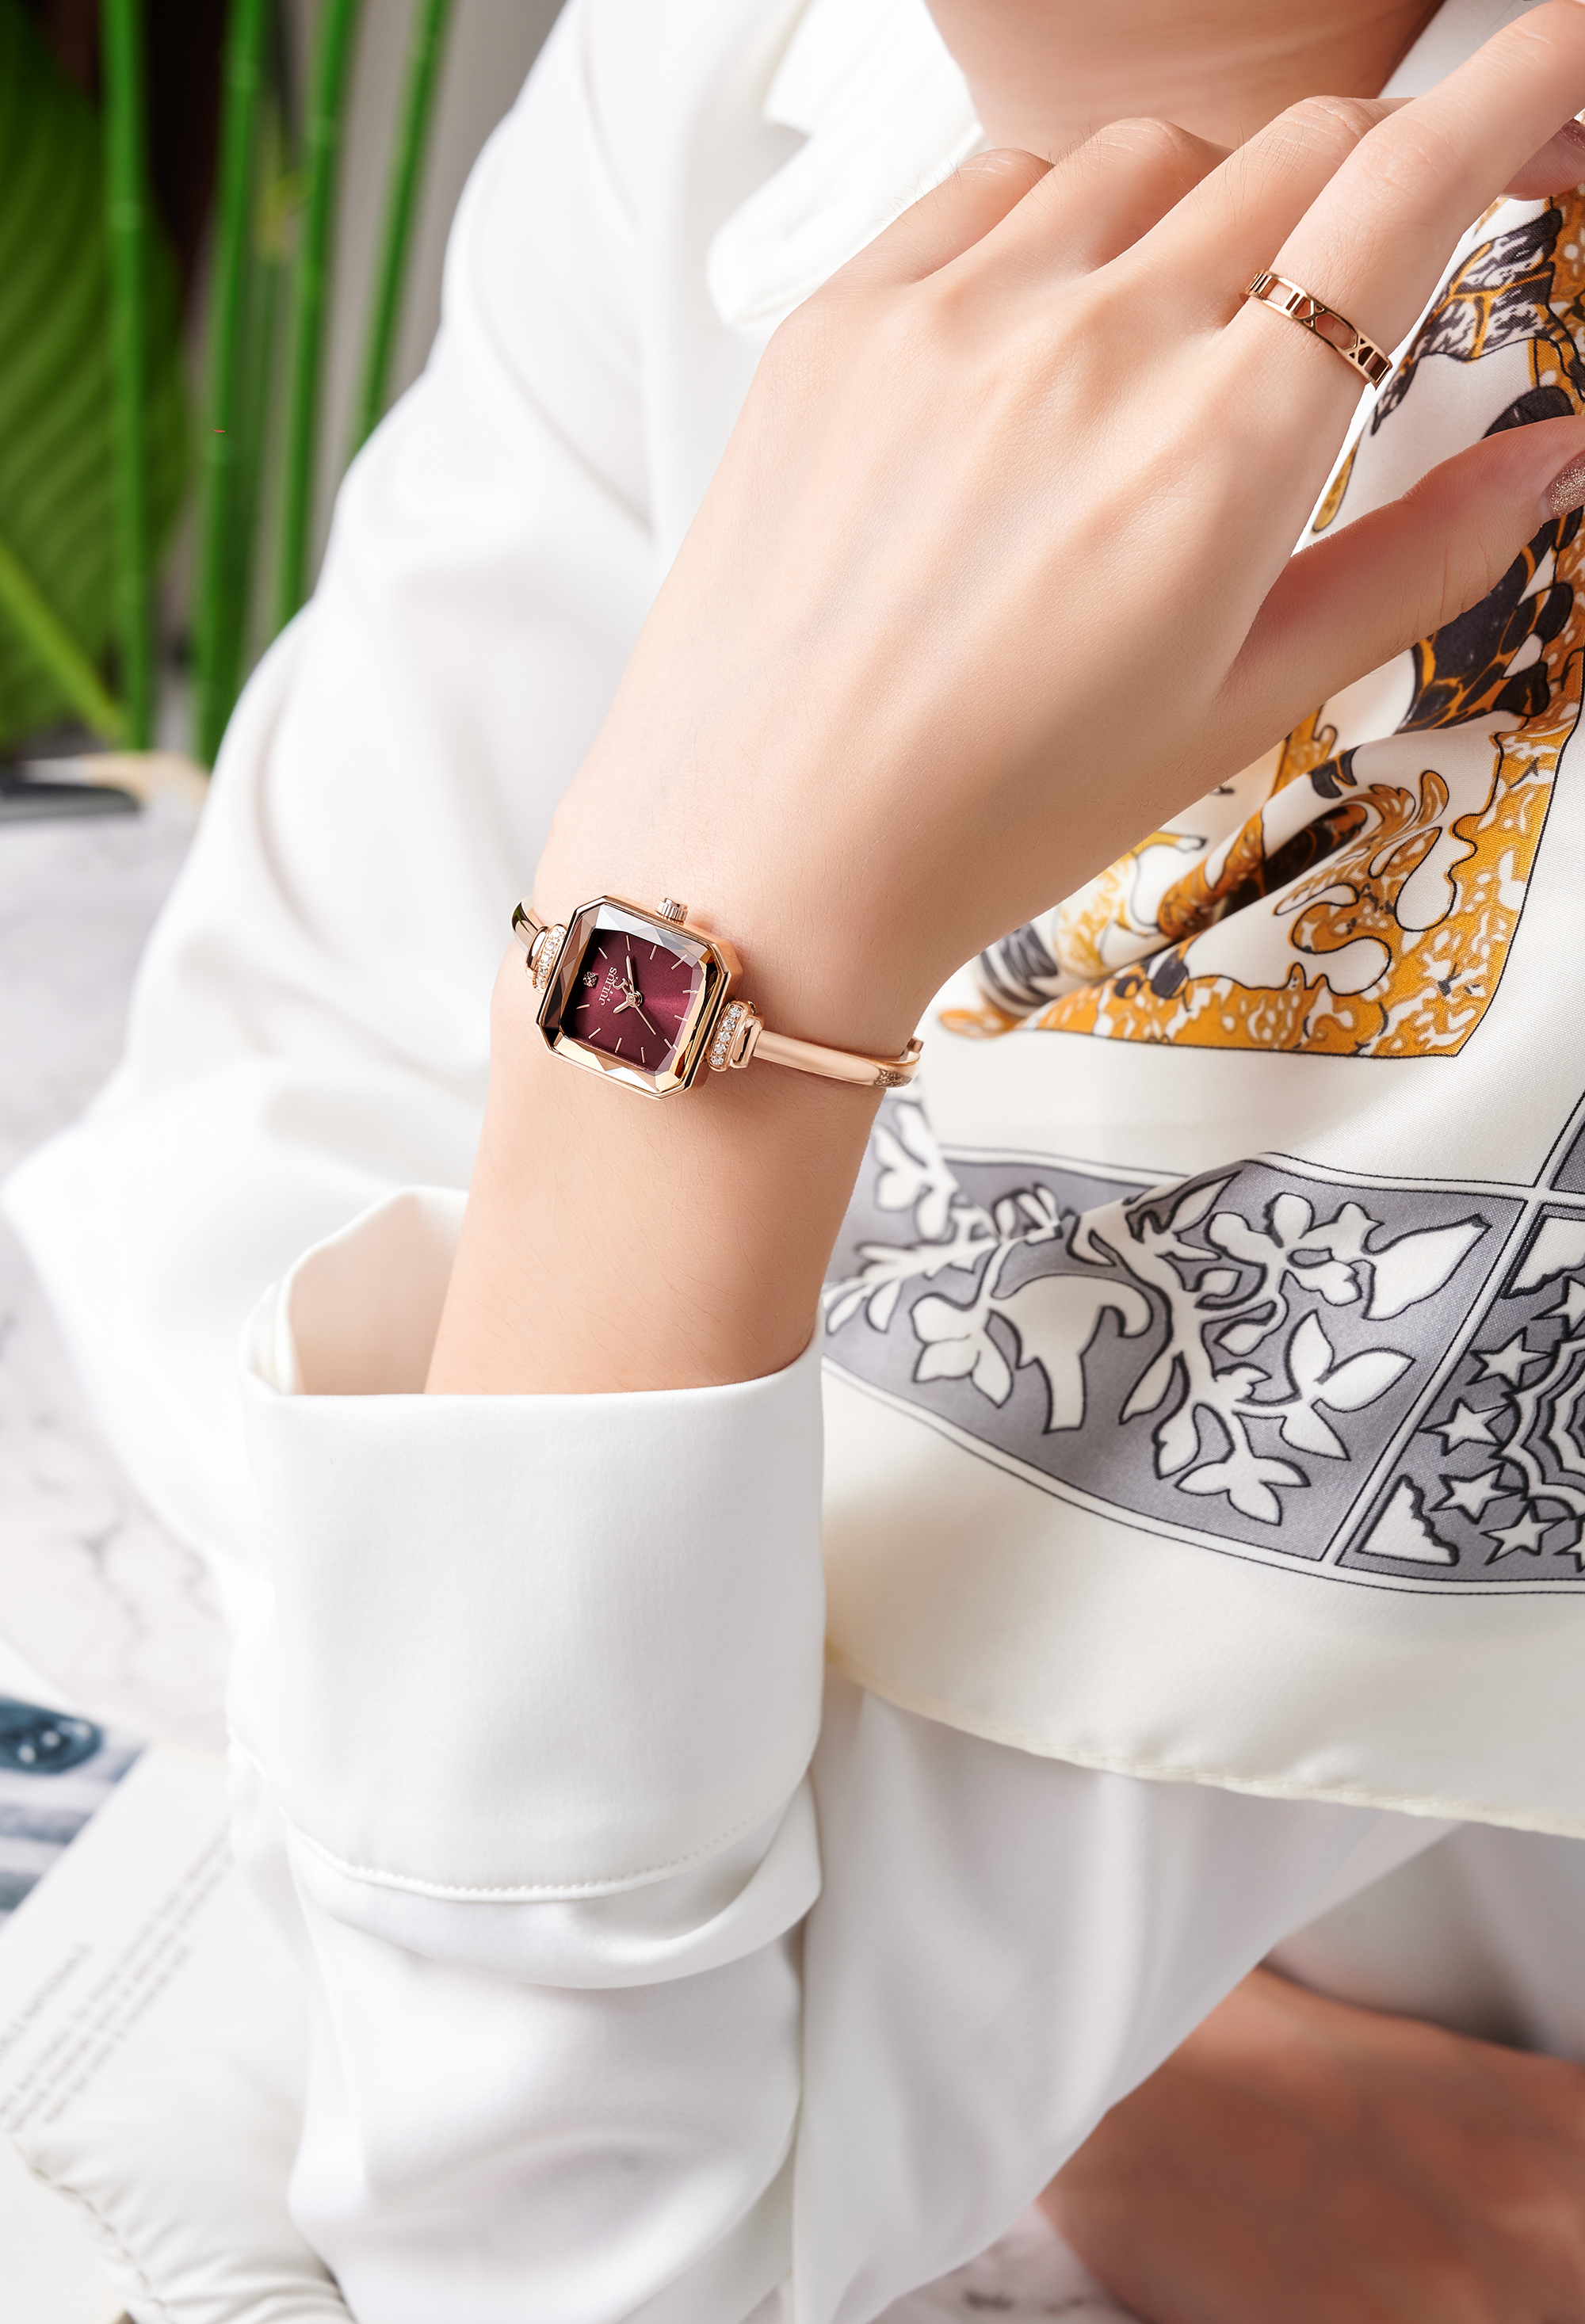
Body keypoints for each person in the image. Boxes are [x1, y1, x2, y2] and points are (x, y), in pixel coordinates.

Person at [12, 0, 1585, 2315]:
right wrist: (1132, 2081)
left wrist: (710, 991)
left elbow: (561, 2235)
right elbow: (262, 1141)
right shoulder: (717, 61)